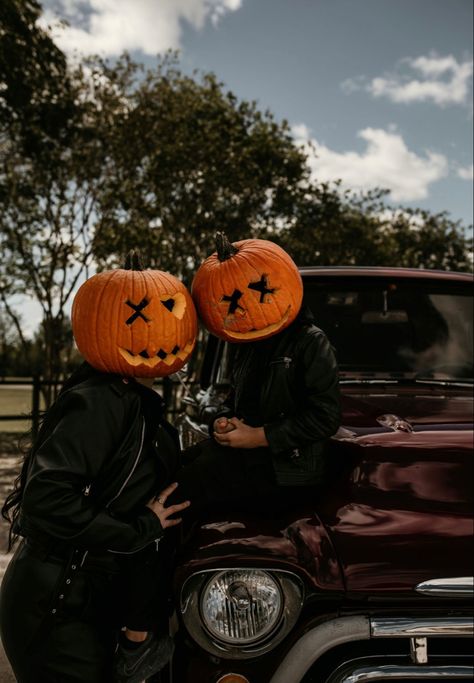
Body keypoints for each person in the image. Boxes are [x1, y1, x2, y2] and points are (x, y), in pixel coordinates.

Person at [0, 258, 194, 683]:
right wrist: (140, 528)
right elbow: (47, 498)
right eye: (141, 316)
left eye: (172, 312)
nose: (161, 329)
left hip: (89, 601)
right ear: (101, 323)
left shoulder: (132, 398)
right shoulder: (98, 401)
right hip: (57, 608)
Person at [167, 235, 341, 517]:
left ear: (282, 286)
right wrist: (220, 421)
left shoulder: (310, 342)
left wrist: (260, 436)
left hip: (285, 472)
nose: (245, 308)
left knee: (180, 488)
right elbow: (235, 401)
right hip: (246, 458)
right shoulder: (246, 345)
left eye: (260, 291)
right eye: (232, 303)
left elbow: (326, 416)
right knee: (170, 468)